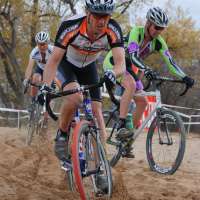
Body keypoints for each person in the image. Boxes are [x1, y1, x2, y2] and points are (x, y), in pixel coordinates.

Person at [40, 0, 125, 169]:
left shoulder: (113, 28)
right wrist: (46, 85)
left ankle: (102, 166)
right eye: (97, 16)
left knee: (97, 112)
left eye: (106, 16)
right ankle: (63, 134)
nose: (102, 21)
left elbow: (120, 63)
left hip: (89, 66)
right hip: (67, 64)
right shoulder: (71, 26)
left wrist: (113, 73)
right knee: (76, 98)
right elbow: (53, 61)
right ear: (88, 13)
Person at [104, 7, 194, 157]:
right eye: (157, 27)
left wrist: (184, 77)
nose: (159, 31)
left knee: (143, 102)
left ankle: (126, 140)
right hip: (114, 64)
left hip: (131, 69)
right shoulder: (136, 32)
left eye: (162, 28)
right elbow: (132, 56)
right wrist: (146, 69)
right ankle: (120, 125)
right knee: (131, 85)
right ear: (148, 23)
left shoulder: (158, 42)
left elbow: (171, 63)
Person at [23, 31, 53, 126]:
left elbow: (59, 66)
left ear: (48, 43)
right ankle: (32, 102)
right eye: (39, 44)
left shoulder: (53, 51)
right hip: (40, 69)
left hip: (51, 71)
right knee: (35, 78)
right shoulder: (34, 52)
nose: (42, 46)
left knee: (50, 95)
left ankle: (45, 120)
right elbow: (30, 67)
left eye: (44, 44)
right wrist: (26, 79)